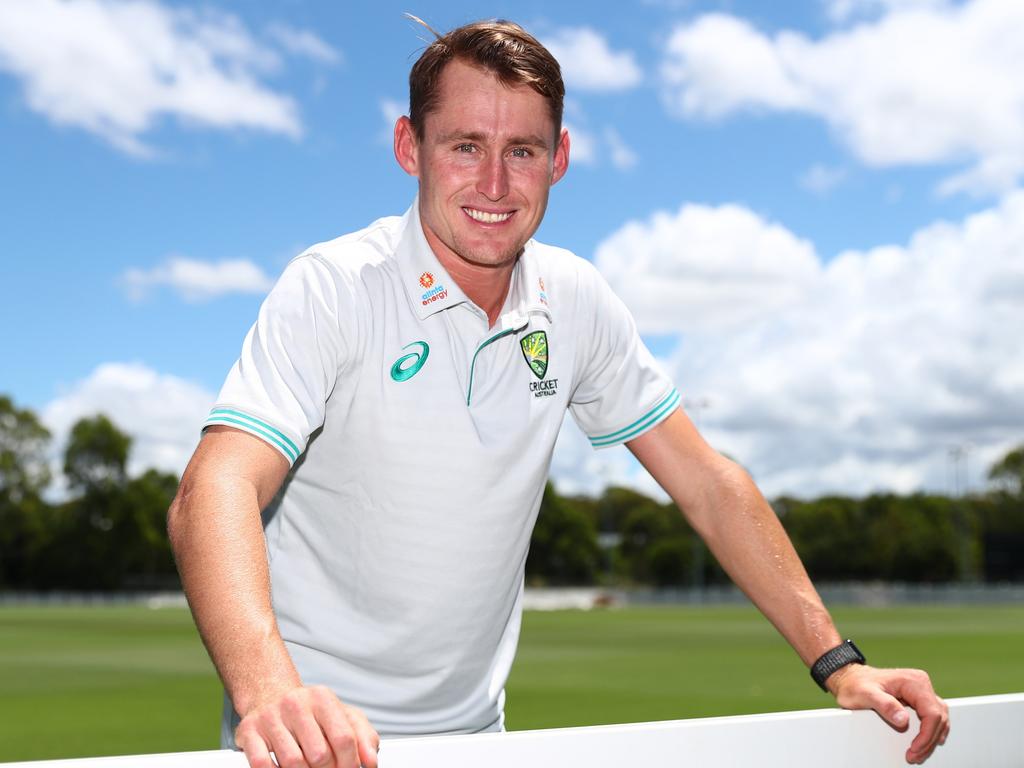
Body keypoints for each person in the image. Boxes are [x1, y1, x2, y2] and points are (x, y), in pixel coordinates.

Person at [167, 18, 949, 768]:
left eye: (523, 150)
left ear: (560, 157)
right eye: (465, 146)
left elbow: (707, 484)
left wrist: (841, 664)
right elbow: (216, 485)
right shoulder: (335, 287)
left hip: (481, 737)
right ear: (410, 147)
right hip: (311, 740)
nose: (496, 183)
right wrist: (271, 693)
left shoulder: (574, 299)